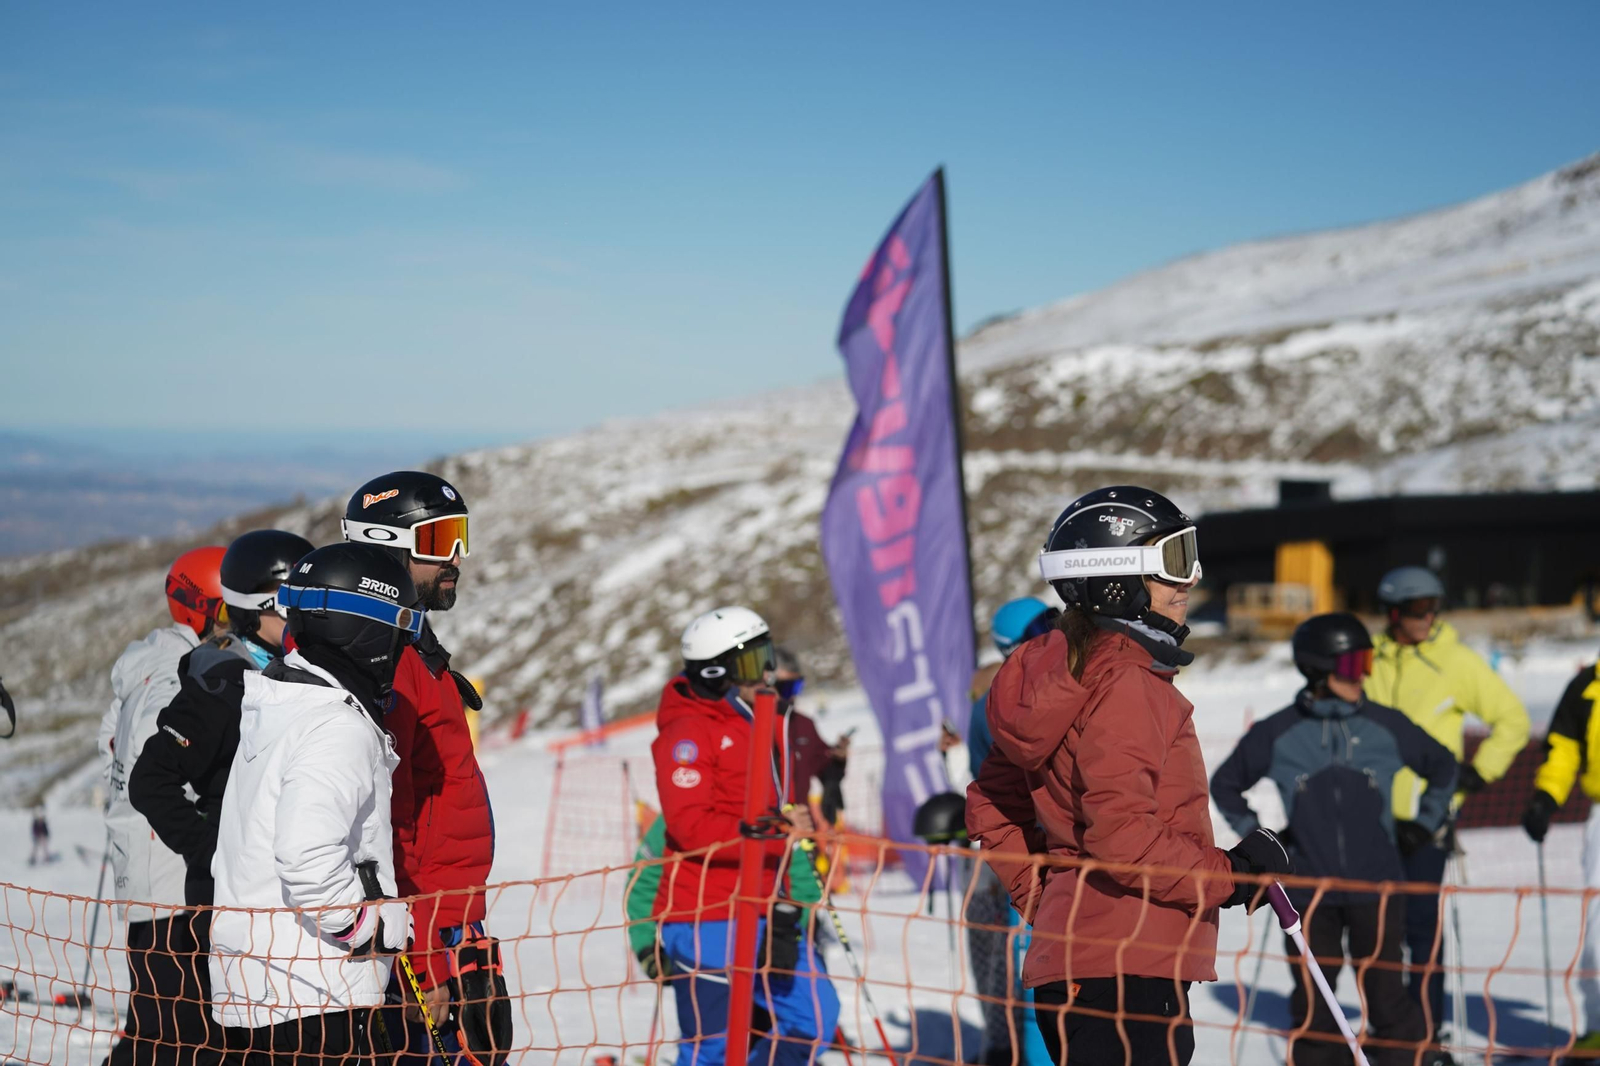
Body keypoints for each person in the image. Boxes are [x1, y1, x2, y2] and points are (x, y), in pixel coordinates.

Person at [966, 486, 1291, 1066]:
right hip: (1129, 969)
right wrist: (1234, 875)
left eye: (1189, 554)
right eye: (1172, 561)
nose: (1189, 579)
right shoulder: (1129, 685)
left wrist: (1051, 901)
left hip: (1082, 961)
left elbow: (992, 801)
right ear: (1116, 580)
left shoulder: (1067, 676)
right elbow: (1122, 835)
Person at [1211, 613, 1457, 1066]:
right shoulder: (1279, 731)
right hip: (1309, 892)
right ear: (1318, 670)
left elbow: (1443, 765)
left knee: (1389, 1001)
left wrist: (1423, 824)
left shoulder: (1386, 725)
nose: (1362, 675)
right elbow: (1225, 784)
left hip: (1377, 885)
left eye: (1367, 663)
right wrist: (1264, 840)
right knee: (1314, 1007)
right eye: (1351, 665)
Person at [208, 542, 419, 1064]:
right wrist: (367, 928)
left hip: (262, 986)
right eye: (398, 631)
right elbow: (305, 856)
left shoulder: (283, 704)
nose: (400, 650)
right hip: (316, 997)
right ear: (366, 632)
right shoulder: (335, 726)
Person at [343, 471, 506, 1064]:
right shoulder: (388, 660)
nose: (456, 559)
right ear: (384, 547)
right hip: (425, 932)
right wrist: (425, 960)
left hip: (452, 918)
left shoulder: (415, 643)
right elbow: (390, 823)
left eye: (460, 537)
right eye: (438, 542)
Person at [650, 606, 840, 1066]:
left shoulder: (752, 716)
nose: (768, 672)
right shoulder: (686, 733)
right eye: (754, 662)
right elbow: (691, 826)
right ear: (717, 671)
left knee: (815, 1017)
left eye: (767, 655)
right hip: (706, 913)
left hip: (764, 902)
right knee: (711, 1045)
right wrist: (776, 834)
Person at [1364, 565, 1530, 1044]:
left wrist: (1479, 773)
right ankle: (1386, 1027)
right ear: (1393, 613)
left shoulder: (1456, 662)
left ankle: (1425, 1031)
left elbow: (1512, 720)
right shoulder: (1372, 657)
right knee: (1376, 930)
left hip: (1427, 819)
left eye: (1434, 607)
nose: (1428, 617)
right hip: (1371, 818)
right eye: (1418, 609)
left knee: (1419, 927)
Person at [131, 530, 315, 909]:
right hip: (228, 901)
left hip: (285, 892)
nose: (301, 615)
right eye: (287, 602)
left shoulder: (299, 673)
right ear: (252, 607)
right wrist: (214, 852)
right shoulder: (223, 685)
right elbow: (150, 780)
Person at [98, 545, 226, 1066]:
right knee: (182, 1032)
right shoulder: (178, 676)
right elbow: (161, 760)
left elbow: (110, 740)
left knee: (152, 1025)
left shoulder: (144, 665)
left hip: (143, 873)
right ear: (204, 609)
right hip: (172, 875)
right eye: (227, 608)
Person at [966, 597, 1057, 1066]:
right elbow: (992, 792)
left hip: (1073, 855)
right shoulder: (999, 702)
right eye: (1040, 628)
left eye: (1055, 620)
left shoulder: (1057, 684)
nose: (1053, 632)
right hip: (1031, 860)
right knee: (1040, 974)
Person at [1522, 655, 1600, 1054]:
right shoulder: (1586, 686)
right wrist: (1546, 798)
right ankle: (1597, 1026)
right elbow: (1565, 748)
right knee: (1596, 931)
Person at [771, 646, 849, 825]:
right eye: (785, 688)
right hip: (770, 831)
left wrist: (836, 763)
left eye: (797, 687)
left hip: (803, 832)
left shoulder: (803, 724)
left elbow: (822, 761)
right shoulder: (751, 726)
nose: (791, 696)